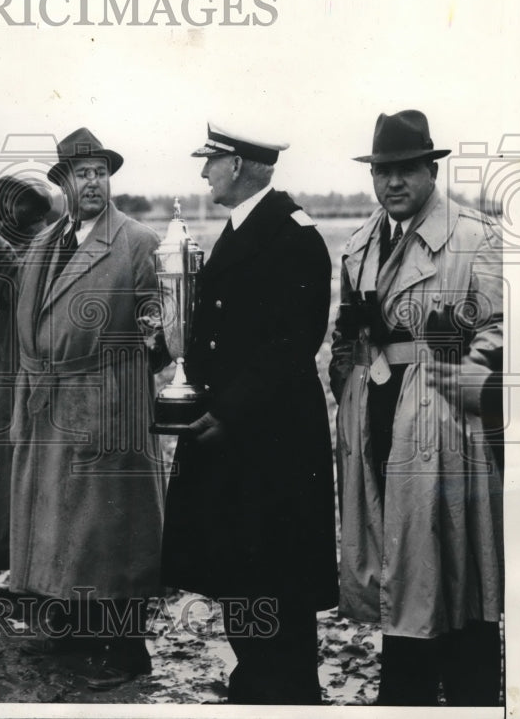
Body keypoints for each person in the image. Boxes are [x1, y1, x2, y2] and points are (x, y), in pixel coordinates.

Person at [329, 110, 503, 706]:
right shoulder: (358, 244)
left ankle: (469, 692)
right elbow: (343, 338)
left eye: (405, 170)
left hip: (443, 427)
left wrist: (454, 370)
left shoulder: (475, 236)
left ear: (431, 170)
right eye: (383, 172)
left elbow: (502, 330)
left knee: (452, 564)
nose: (393, 183)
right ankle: (403, 691)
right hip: (376, 411)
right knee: (394, 556)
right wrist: (347, 376)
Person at [160, 123, 338, 705]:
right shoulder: (241, 231)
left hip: (270, 442)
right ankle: (256, 680)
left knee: (276, 576)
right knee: (239, 568)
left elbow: (290, 343)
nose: (203, 173)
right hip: (234, 437)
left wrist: (228, 411)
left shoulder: (291, 234)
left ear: (236, 165)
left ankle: (286, 691)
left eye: (210, 162)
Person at [9, 128, 169, 690]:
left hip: (109, 407)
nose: (94, 182)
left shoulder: (140, 243)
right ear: (63, 183)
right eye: (82, 173)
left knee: (113, 533)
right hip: (49, 403)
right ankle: (73, 630)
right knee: (61, 526)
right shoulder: (45, 244)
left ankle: (126, 650)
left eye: (101, 171)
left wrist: (122, 390)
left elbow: (163, 337)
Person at [0, 176, 55, 573]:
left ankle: (19, 562)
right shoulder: (43, 248)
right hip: (10, 370)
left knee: (15, 465)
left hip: (17, 374)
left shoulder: (29, 254)